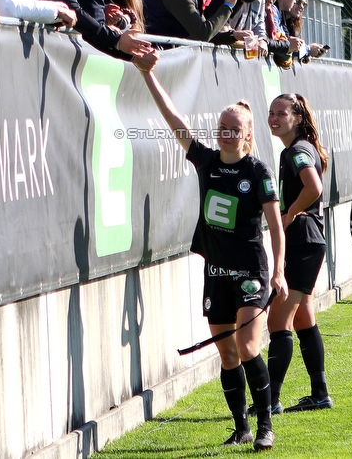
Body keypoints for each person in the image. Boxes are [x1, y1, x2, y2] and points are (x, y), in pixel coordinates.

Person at [142, 69, 287, 451]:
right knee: (226, 353)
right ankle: (240, 427)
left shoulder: (257, 172)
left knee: (248, 346)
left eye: (233, 129)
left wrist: (279, 271)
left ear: (247, 136)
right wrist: (148, 74)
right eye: (222, 127)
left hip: (251, 273)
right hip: (216, 273)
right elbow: (174, 119)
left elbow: (276, 224)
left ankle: (265, 426)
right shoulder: (206, 161)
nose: (225, 133)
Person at [264, 93, 332, 414]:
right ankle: (319, 394)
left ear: (298, 118)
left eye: (281, 113)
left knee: (278, 319)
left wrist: (289, 213)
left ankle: (270, 401)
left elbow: (314, 188)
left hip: (303, 239)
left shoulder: (298, 152)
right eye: (271, 113)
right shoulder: (292, 150)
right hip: (309, 239)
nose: (274, 118)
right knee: (303, 314)